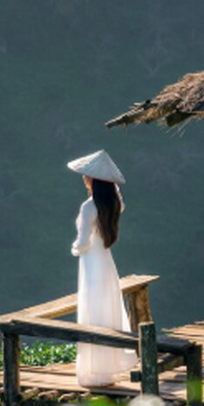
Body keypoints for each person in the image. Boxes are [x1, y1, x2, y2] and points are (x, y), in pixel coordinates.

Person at [68, 150, 138, 387]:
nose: (84, 178)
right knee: (106, 310)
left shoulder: (88, 207)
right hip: (106, 262)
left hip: (91, 263)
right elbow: (118, 200)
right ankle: (107, 370)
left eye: (87, 175)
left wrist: (74, 249)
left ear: (93, 180)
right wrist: (111, 186)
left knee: (93, 311)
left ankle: (94, 373)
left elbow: (82, 243)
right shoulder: (114, 203)